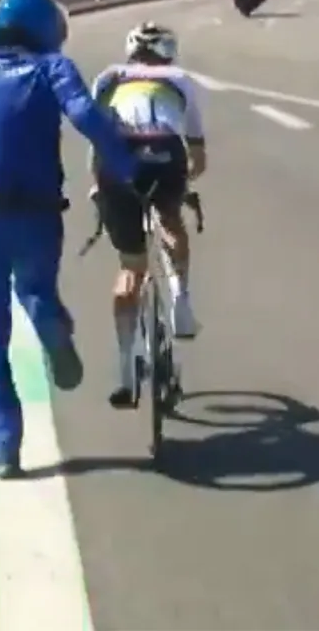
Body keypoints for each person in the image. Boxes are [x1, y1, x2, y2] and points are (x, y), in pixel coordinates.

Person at [0, 0, 141, 479]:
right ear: (45, 30)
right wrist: (126, 168)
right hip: (37, 214)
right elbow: (84, 113)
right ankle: (51, 324)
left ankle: (2, 447)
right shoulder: (51, 68)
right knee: (37, 289)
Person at [87, 22, 207, 410]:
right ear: (167, 51)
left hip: (116, 162)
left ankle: (125, 369)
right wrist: (180, 187)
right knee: (170, 223)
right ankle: (181, 303)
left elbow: (96, 141)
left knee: (130, 267)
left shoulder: (108, 77)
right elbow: (197, 156)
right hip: (165, 154)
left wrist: (98, 186)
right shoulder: (179, 80)